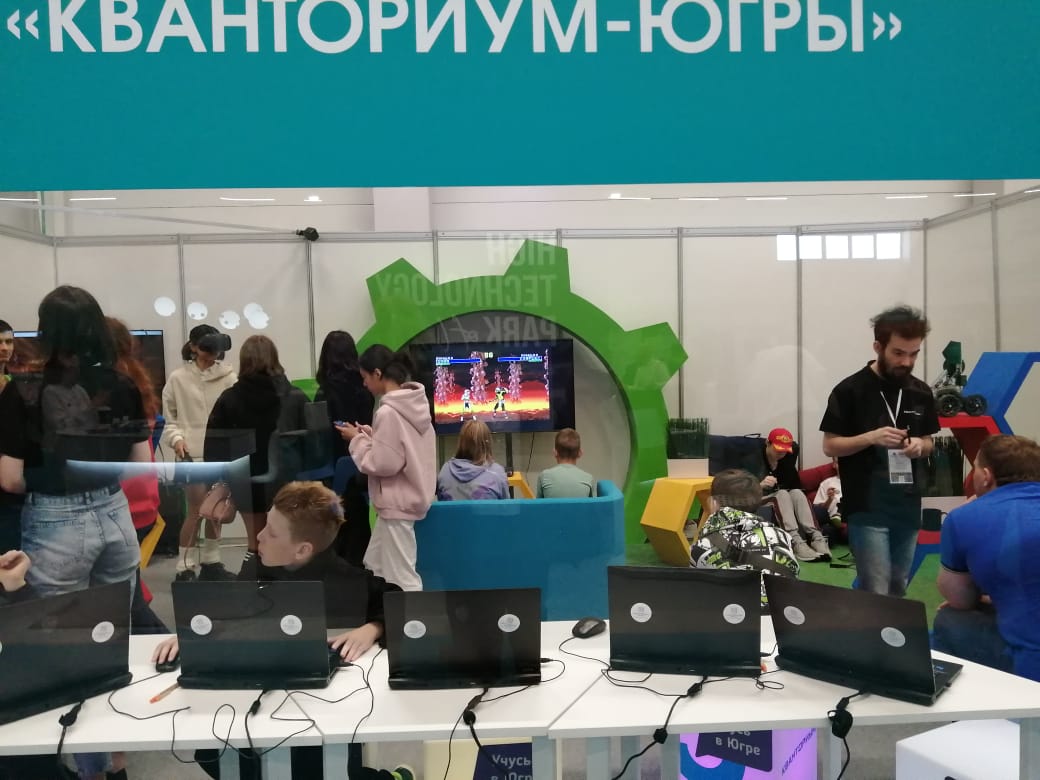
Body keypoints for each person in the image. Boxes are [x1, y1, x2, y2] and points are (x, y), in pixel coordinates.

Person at [152, 481, 412, 780]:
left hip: (322, 712)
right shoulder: (257, 569)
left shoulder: (347, 581)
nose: (259, 536)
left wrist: (373, 627)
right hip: (259, 702)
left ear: (302, 549)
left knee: (321, 768)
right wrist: (194, 634)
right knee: (216, 753)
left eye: (272, 533)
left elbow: (403, 605)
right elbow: (228, 609)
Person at [820, 304, 939, 597]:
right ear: (878, 347)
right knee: (875, 587)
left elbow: (929, 442)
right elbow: (830, 446)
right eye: (898, 353)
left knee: (898, 585)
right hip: (867, 505)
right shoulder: (849, 391)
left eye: (914, 354)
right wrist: (870, 437)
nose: (906, 362)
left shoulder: (921, 392)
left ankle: (883, 624)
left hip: (907, 504)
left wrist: (919, 446)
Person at [933, 434, 1040, 681]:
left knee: (949, 619)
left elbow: (959, 599)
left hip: (1031, 669)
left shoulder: (964, 517)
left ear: (986, 476)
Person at [336, 345, 436, 593]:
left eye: (365, 377)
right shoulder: (414, 405)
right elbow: (403, 450)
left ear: (378, 373)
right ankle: (382, 612)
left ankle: (412, 616)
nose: (364, 384)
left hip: (396, 503)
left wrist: (356, 441)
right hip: (404, 499)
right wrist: (371, 437)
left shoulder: (389, 412)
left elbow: (383, 463)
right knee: (376, 566)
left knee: (402, 577)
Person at [205, 335, 307, 561]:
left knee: (255, 542)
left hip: (245, 479)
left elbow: (214, 446)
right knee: (286, 540)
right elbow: (310, 442)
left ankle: (253, 575)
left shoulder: (229, 399)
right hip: (287, 479)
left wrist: (215, 482)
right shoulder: (294, 396)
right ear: (275, 358)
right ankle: (282, 576)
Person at [161, 324, 237, 582]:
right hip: (191, 455)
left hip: (221, 453)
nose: (211, 352)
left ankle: (212, 561)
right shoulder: (178, 378)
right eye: (206, 346)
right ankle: (185, 566)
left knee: (215, 510)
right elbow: (169, 418)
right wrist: (176, 440)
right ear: (193, 347)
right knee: (195, 510)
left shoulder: (229, 377)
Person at [108, 317, 168, 635]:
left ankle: (164, 644)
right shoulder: (138, 380)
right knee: (128, 585)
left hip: (120, 500)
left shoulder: (111, 386)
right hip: (143, 495)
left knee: (125, 591)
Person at [690, 469, 799, 609]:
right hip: (782, 614)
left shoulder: (702, 545)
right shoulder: (781, 536)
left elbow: (698, 592)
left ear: (713, 503)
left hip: (734, 616)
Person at [314, 330, 375, 566]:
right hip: (361, 465)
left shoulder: (324, 392)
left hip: (332, 468)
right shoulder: (365, 389)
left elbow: (320, 436)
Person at [754, 428, 830, 563]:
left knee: (797, 492)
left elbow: (795, 485)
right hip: (758, 499)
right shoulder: (753, 460)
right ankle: (794, 541)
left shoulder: (786, 460)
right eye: (778, 449)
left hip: (781, 499)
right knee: (782, 494)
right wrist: (760, 485)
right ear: (767, 443)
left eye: (785, 450)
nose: (781, 453)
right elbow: (741, 491)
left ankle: (816, 537)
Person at [437, 420, 509, 500]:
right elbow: (506, 506)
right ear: (487, 442)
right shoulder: (497, 472)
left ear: (461, 442)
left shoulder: (445, 470)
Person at [0, 319, 21, 554]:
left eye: (9, 342)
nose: (4, 348)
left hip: (11, 484)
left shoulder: (18, 384)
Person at [536, 427, 596, 498]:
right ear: (580, 453)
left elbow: (538, 504)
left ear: (555, 452)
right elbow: (592, 504)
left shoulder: (544, 476)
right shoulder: (588, 479)